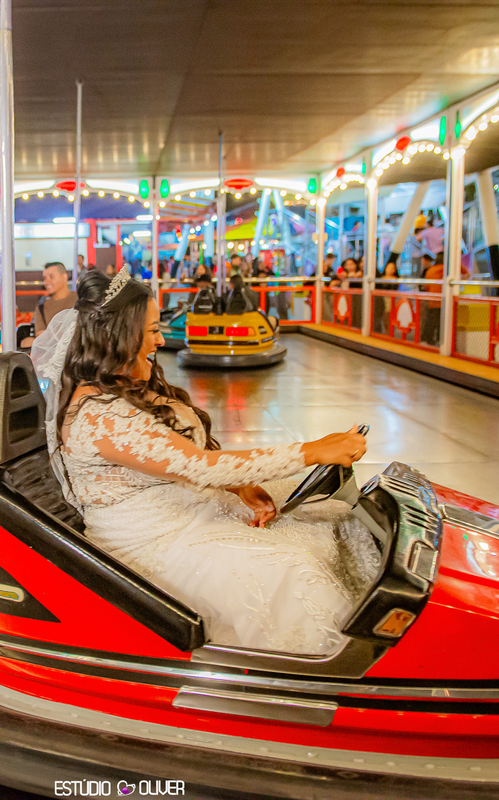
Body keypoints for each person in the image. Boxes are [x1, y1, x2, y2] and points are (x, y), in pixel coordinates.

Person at [30, 268, 378, 655]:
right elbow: (200, 466)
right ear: (115, 335)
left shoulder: (126, 385)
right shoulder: (98, 417)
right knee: (290, 570)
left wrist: (239, 483)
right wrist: (312, 451)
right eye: (151, 330)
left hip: (189, 512)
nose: (160, 340)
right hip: (153, 542)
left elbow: (179, 461)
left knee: (324, 517)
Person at [32, 262, 77, 336]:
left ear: (64, 277)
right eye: (45, 278)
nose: (47, 282)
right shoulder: (42, 308)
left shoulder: (79, 299)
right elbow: (40, 336)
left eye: (51, 277)